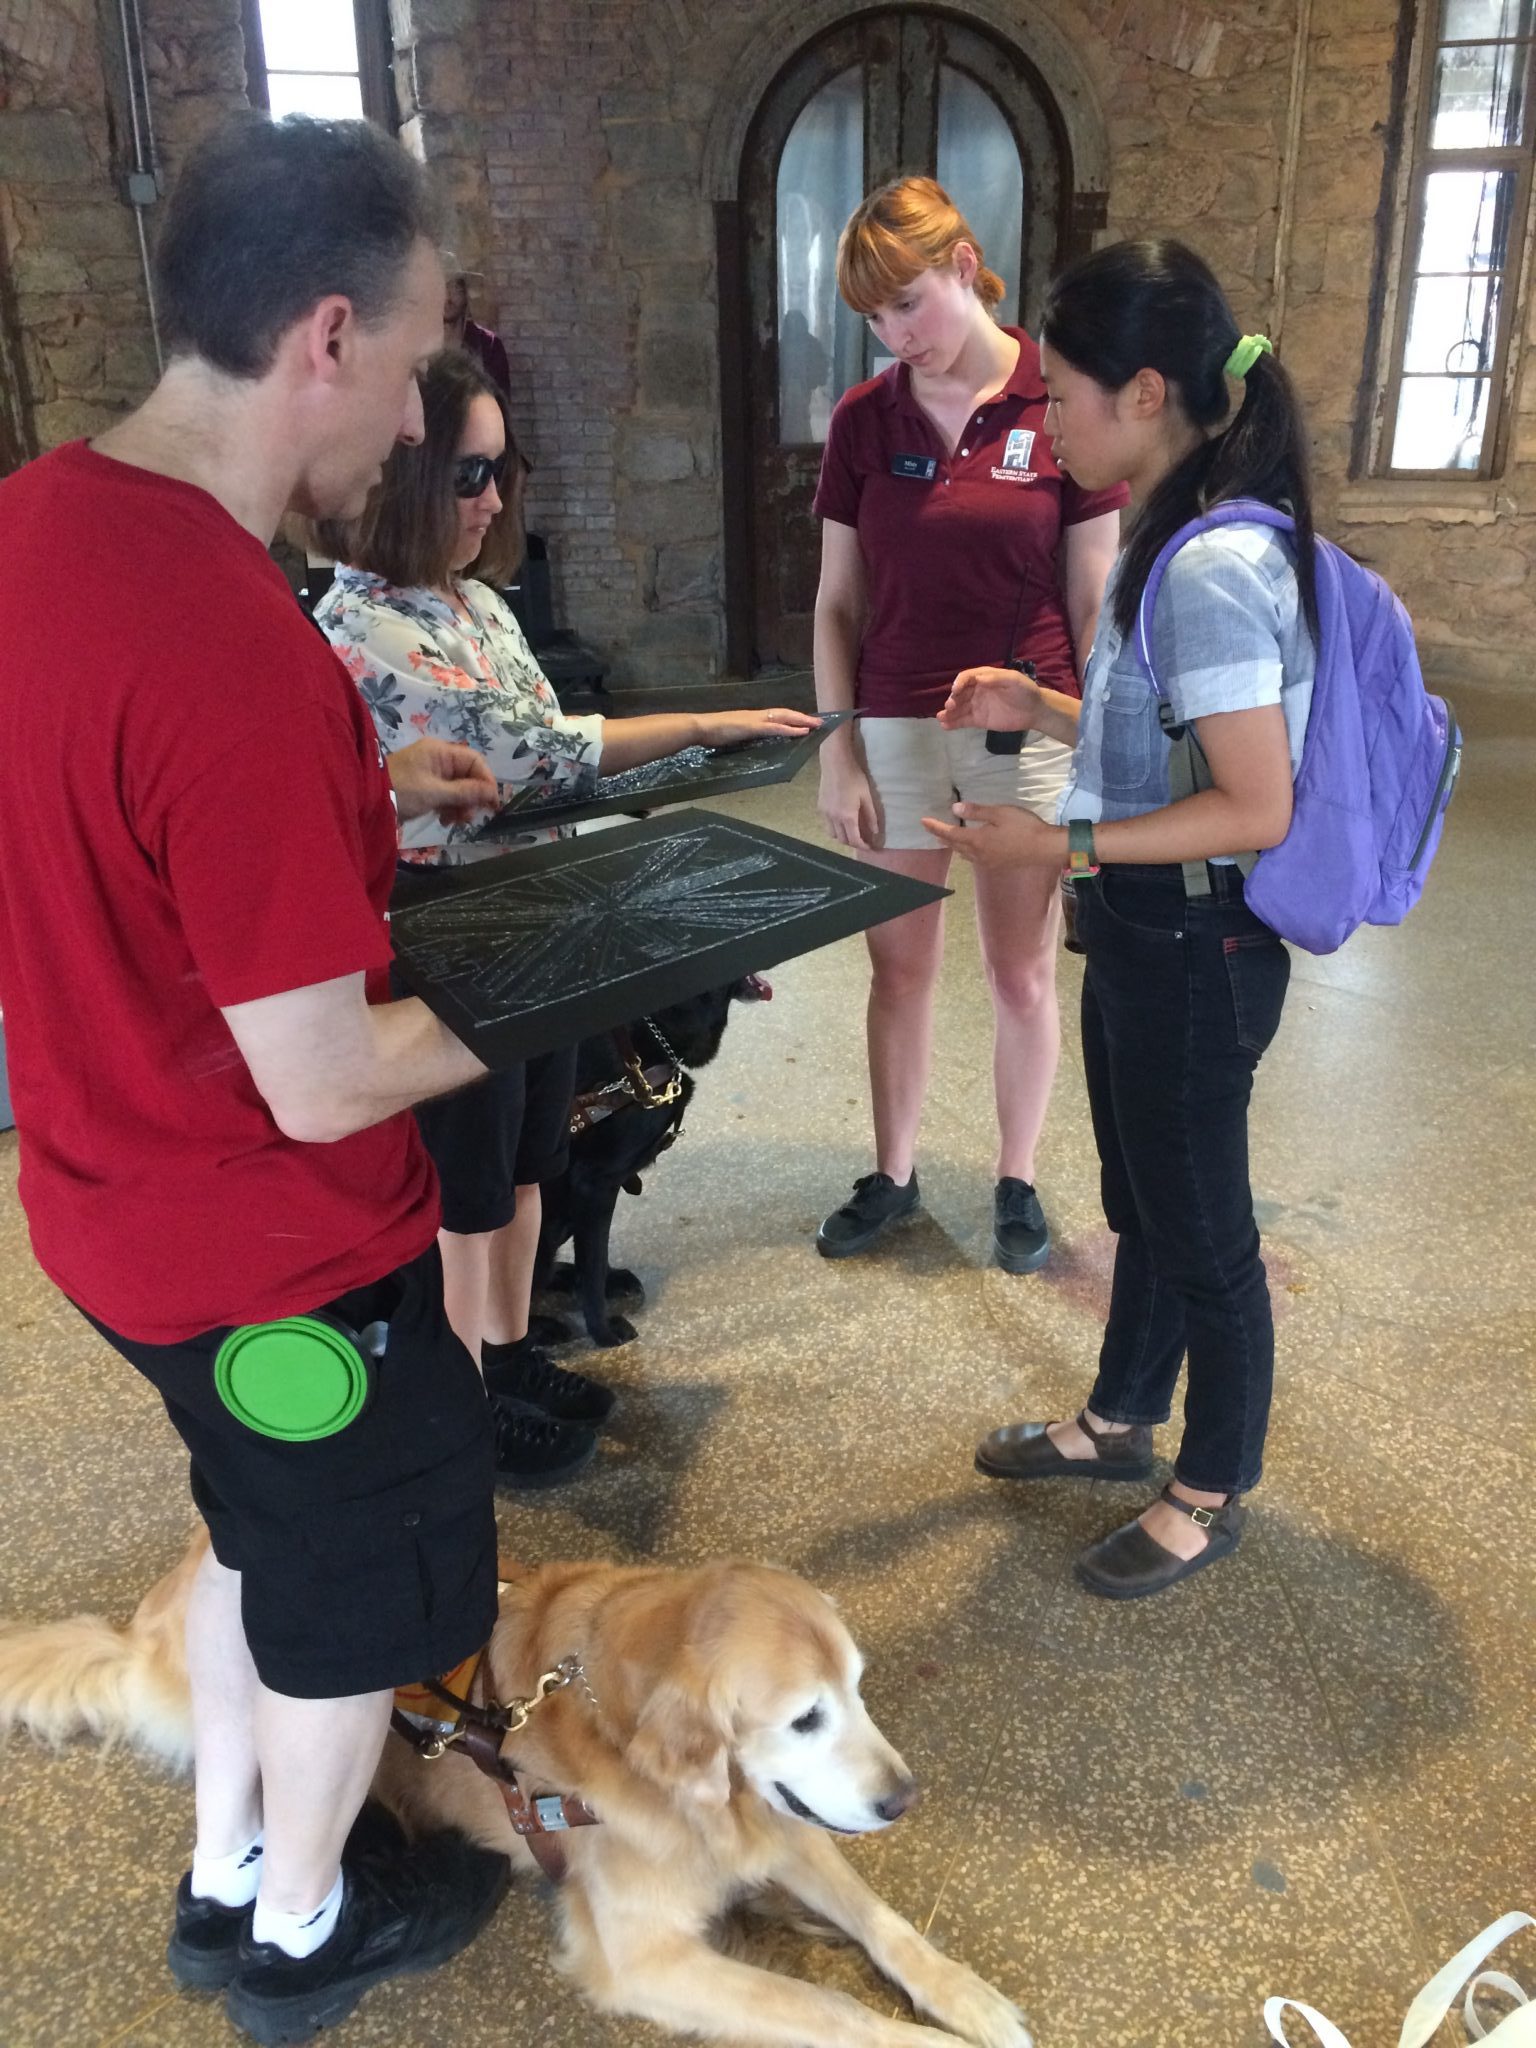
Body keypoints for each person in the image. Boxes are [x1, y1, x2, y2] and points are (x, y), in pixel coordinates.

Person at [0, 114, 519, 2043]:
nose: (408, 429)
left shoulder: (33, 524)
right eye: (405, 369)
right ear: (322, 336)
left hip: (102, 1216)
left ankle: (229, 1855)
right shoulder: (231, 632)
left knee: (245, 1523)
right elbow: (319, 1079)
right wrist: (561, 985)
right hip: (273, 1250)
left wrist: (351, 799)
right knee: (338, 1591)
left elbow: (98, 819)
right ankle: (293, 1921)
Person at [313, 347, 819, 1483]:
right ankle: (466, 1395)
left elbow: (552, 759)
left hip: (530, 911)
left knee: (537, 1154)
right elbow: (535, 760)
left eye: (505, 469)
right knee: (471, 1181)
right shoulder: (367, 627)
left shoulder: (476, 601)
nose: (495, 499)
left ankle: (508, 1345)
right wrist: (696, 726)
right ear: (402, 476)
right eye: (469, 473)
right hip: (451, 928)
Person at [928, 238, 1312, 1600]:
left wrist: (1058, 837)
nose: (1051, 421)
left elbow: (1256, 802)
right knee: (1146, 1203)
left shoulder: (1206, 565)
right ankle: (1115, 1420)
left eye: (1067, 395)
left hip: (1199, 943)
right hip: (1149, 929)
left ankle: (1211, 1484)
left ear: (1145, 392)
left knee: (1203, 1222)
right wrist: (1048, 713)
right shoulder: (1175, 532)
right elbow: (1178, 747)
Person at [810, 177, 1125, 1273]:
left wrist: (1096, 747)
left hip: (1024, 723)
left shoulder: (1059, 400)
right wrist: (835, 744)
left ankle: (1016, 1176)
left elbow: (1095, 598)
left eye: (910, 303)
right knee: (897, 967)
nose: (900, 337)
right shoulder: (865, 417)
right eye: (874, 319)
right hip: (895, 718)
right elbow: (836, 600)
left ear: (963, 264)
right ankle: (893, 1173)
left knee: (1020, 972)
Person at [442, 252, 511, 398]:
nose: (447, 297)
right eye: (440, 288)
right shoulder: (420, 346)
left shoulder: (489, 346)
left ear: (466, 292)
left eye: (455, 288)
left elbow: (500, 404)